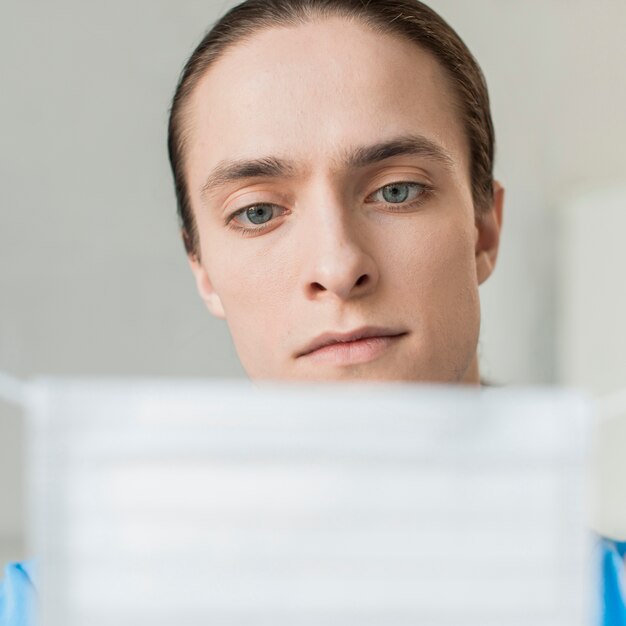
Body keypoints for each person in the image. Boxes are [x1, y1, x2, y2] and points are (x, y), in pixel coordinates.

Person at [1, 0, 624, 624]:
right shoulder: (48, 609)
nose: (337, 265)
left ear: (485, 229)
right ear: (204, 271)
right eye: (258, 212)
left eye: (396, 191)